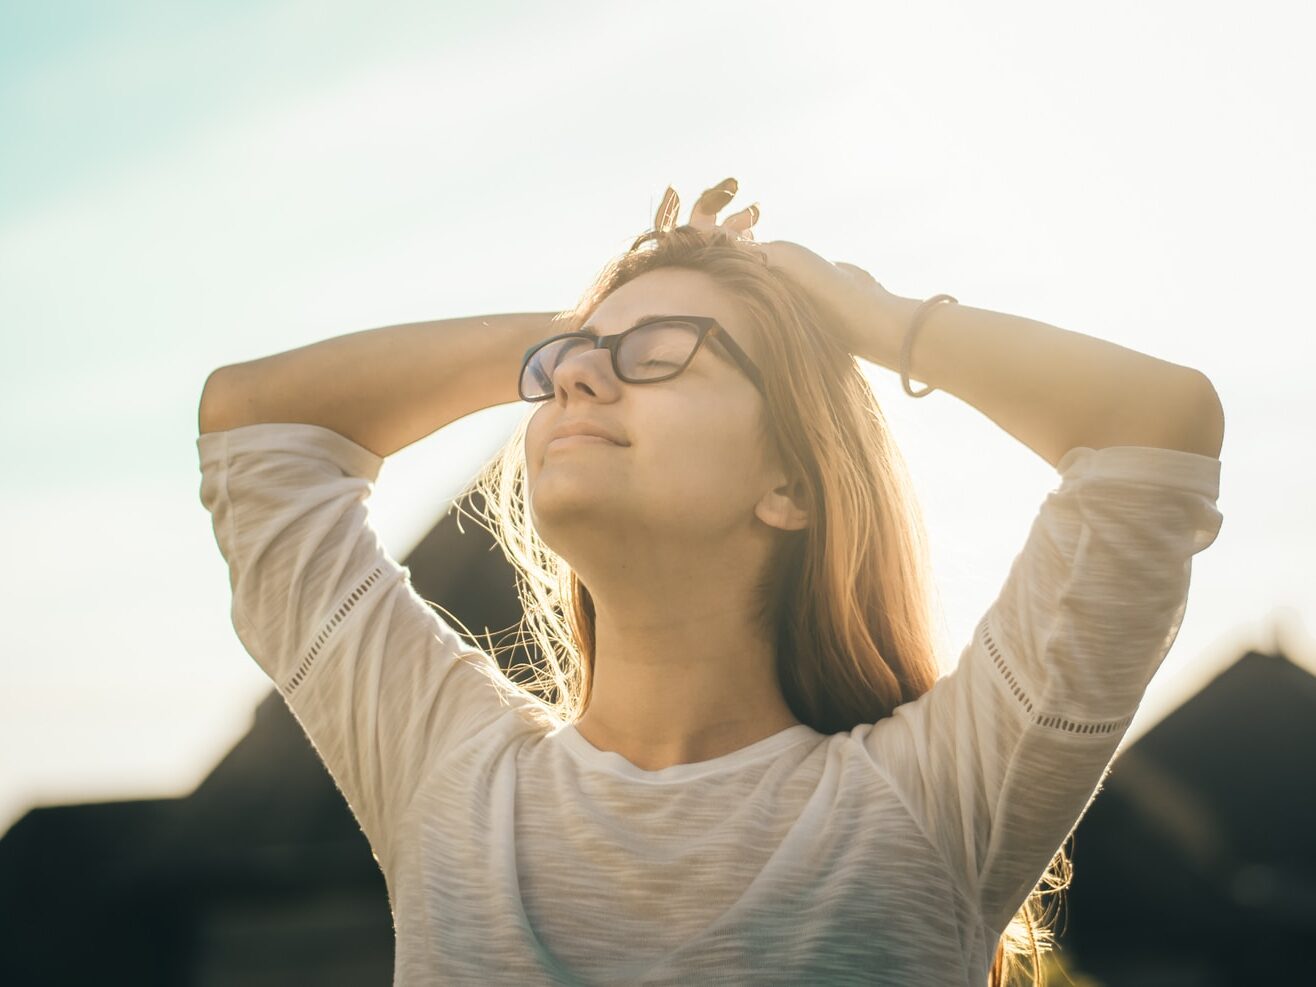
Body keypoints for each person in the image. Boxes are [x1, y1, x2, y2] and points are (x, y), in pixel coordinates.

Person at [196, 177, 1224, 986]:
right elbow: (254, 423)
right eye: (564, 367)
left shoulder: (933, 798)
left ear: (790, 483)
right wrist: (577, 327)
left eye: (660, 355)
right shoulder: (447, 775)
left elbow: (1152, 429)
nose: (577, 378)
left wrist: (866, 317)